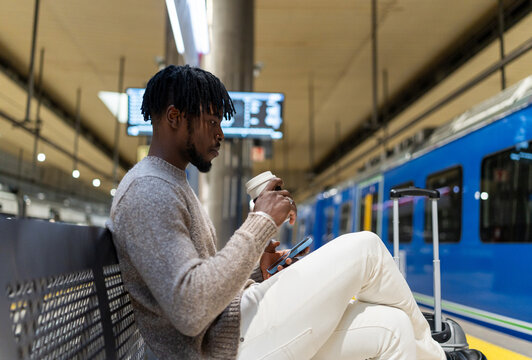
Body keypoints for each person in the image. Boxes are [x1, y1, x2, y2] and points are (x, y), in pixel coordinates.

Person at [107, 65, 486, 360]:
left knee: (394, 326)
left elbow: (197, 286)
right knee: (367, 247)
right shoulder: (148, 192)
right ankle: (438, 356)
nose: (219, 133)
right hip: (222, 346)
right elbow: (190, 308)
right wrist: (260, 223)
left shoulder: (169, 183)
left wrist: (256, 265)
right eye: (211, 121)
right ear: (174, 118)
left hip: (229, 332)